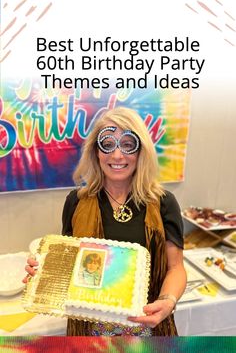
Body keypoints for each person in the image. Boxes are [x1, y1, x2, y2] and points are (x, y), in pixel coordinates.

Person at [24, 106, 187, 336]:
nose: (117, 155)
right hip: (89, 331)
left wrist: (167, 300)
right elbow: (70, 265)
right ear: (95, 151)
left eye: (128, 145)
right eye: (108, 144)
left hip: (146, 328)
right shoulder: (77, 201)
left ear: (141, 151)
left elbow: (175, 267)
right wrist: (43, 271)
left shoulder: (163, 203)